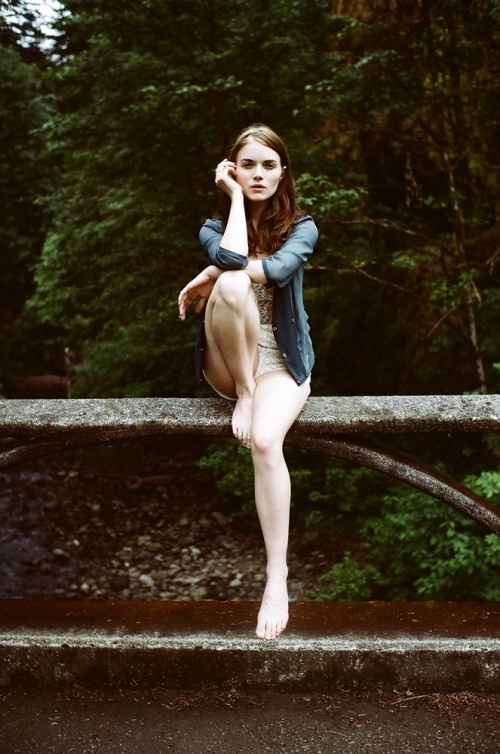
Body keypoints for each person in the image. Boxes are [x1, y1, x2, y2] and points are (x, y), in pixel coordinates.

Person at [178, 124, 318, 640]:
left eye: (268, 165)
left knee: (264, 440)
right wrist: (233, 204)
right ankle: (244, 391)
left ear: (283, 174)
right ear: (232, 169)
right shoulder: (213, 228)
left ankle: (276, 578)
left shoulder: (304, 226)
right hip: (230, 364)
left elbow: (278, 269)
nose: (258, 174)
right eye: (248, 165)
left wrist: (209, 274)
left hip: (282, 361)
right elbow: (233, 261)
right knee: (234, 281)